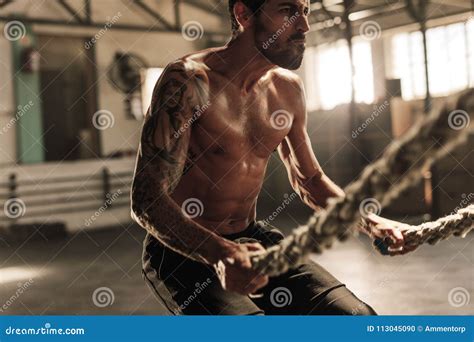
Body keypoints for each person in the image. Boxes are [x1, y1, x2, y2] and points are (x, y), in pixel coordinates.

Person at [131, 0, 414, 315]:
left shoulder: (287, 90)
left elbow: (310, 181)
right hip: (181, 250)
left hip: (253, 240)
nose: (304, 26)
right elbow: (146, 200)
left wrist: (371, 223)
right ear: (244, 15)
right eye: (288, 11)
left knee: (356, 319)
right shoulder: (189, 81)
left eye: (305, 11)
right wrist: (219, 252)